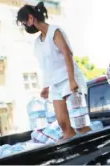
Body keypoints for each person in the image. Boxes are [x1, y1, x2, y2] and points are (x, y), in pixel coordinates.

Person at [16, 2, 87, 139]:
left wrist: (72, 80)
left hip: (70, 78)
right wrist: (46, 86)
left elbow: (67, 54)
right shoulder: (38, 42)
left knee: (81, 123)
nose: (25, 26)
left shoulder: (54, 31)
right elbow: (46, 67)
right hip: (56, 84)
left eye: (24, 22)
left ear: (31, 18)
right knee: (63, 124)